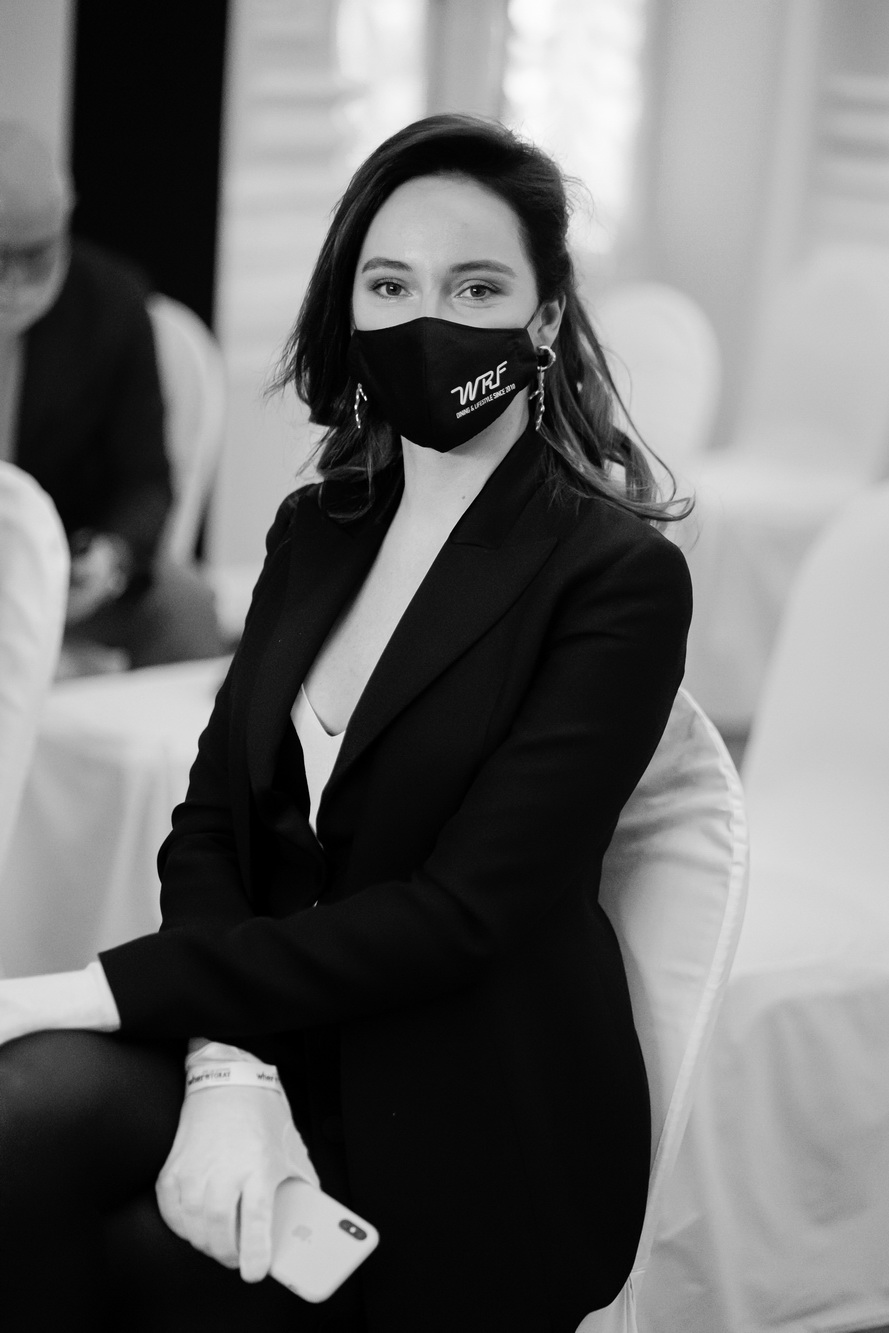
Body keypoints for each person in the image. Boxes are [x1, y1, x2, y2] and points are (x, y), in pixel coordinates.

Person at [0, 114, 693, 1332]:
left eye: (475, 286)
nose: (428, 317)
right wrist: (226, 1062)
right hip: (288, 1040)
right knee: (24, 1115)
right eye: (390, 284)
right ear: (352, 307)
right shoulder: (318, 526)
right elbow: (211, 823)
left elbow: (464, 915)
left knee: (153, 1257)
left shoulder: (615, 578)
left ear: (543, 316)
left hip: (465, 1099)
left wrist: (112, 988)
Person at [0, 119, 224, 671]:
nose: (13, 285)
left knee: (185, 607)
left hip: (58, 571)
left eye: (36, 257)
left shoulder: (112, 305)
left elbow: (147, 478)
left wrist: (110, 555)